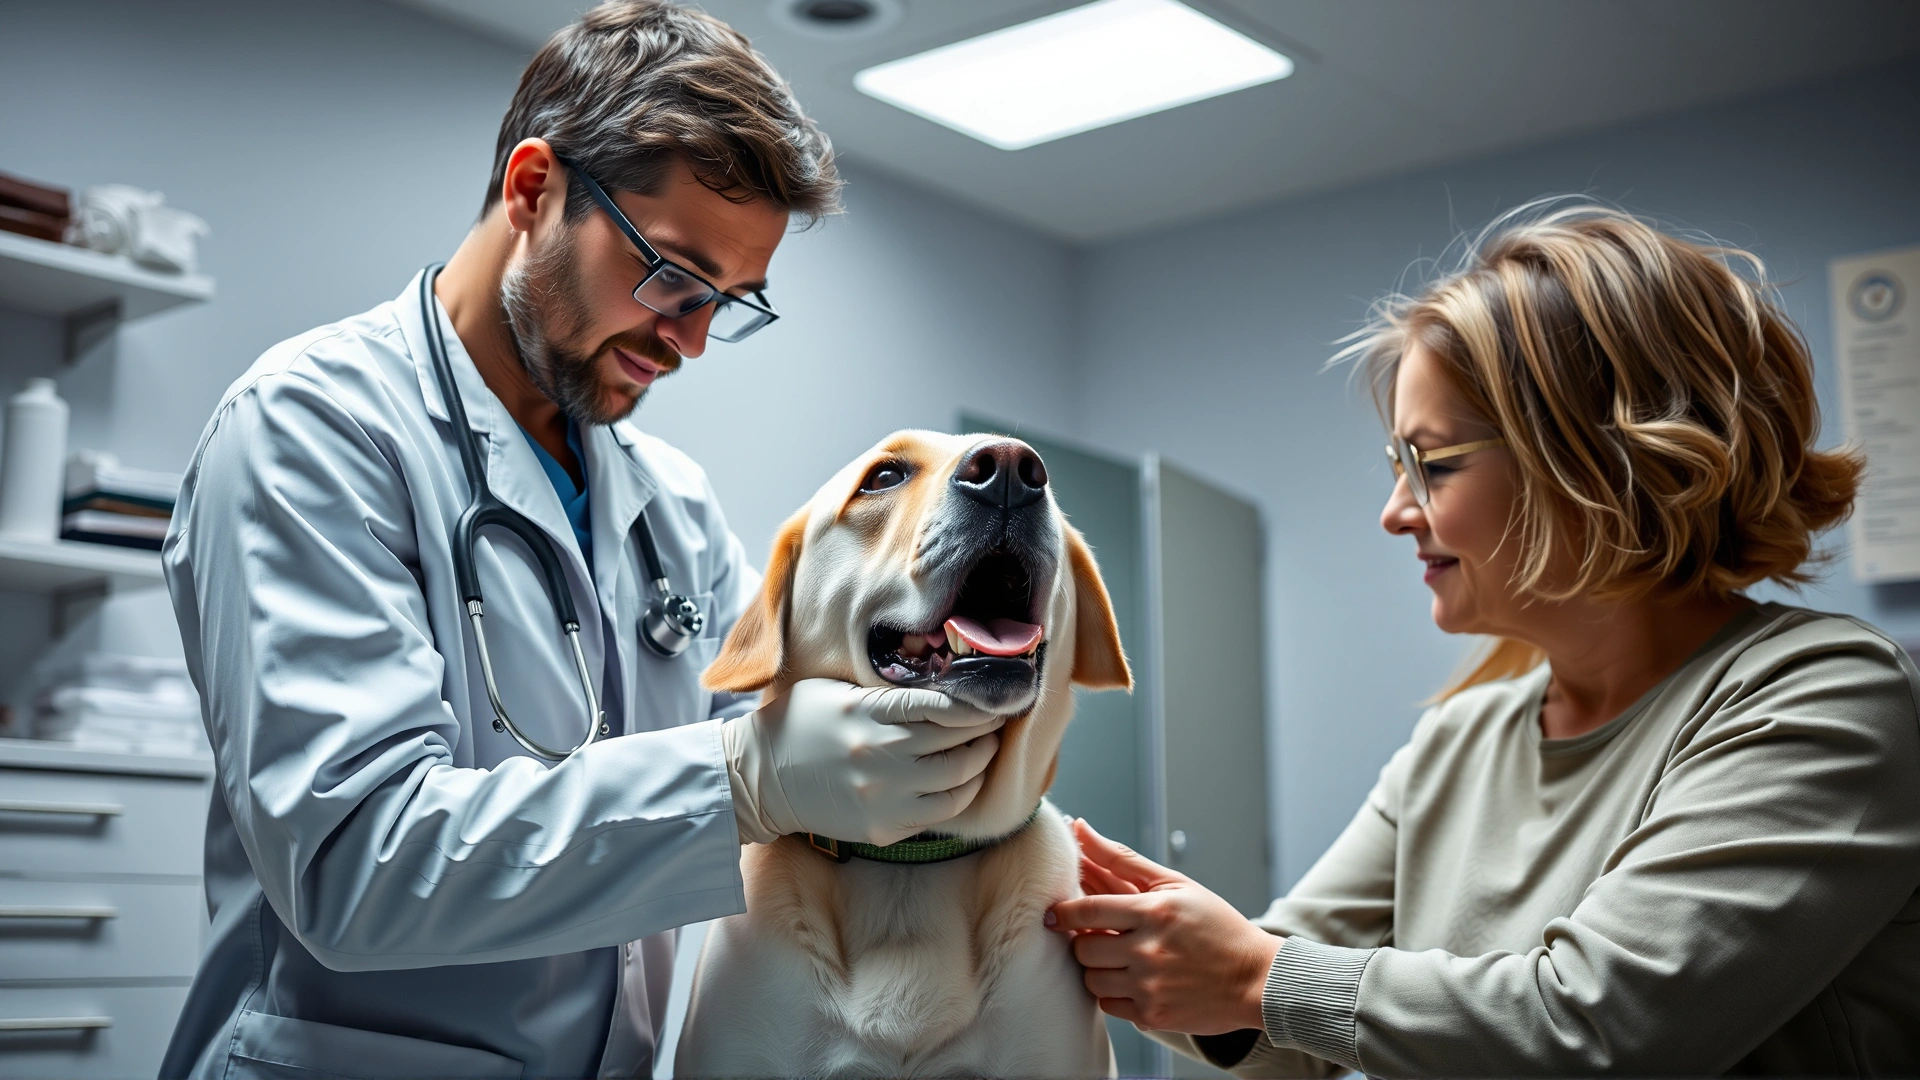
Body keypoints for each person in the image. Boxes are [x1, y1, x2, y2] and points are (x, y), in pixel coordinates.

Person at [157, 4, 1005, 1077]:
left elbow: (789, 713)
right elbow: (356, 867)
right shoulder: (308, 430)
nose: (691, 341)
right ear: (532, 190)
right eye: (674, 276)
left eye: (730, 303)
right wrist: (741, 783)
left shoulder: (669, 503)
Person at [1047, 203, 1920, 1075]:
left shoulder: (1825, 698)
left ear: (1600, 462)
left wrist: (1252, 973)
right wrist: (1055, 902)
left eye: (1434, 464)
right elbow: (1280, 1036)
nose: (1395, 514)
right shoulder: (1458, 744)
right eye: (1399, 468)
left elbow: (1599, 1032)